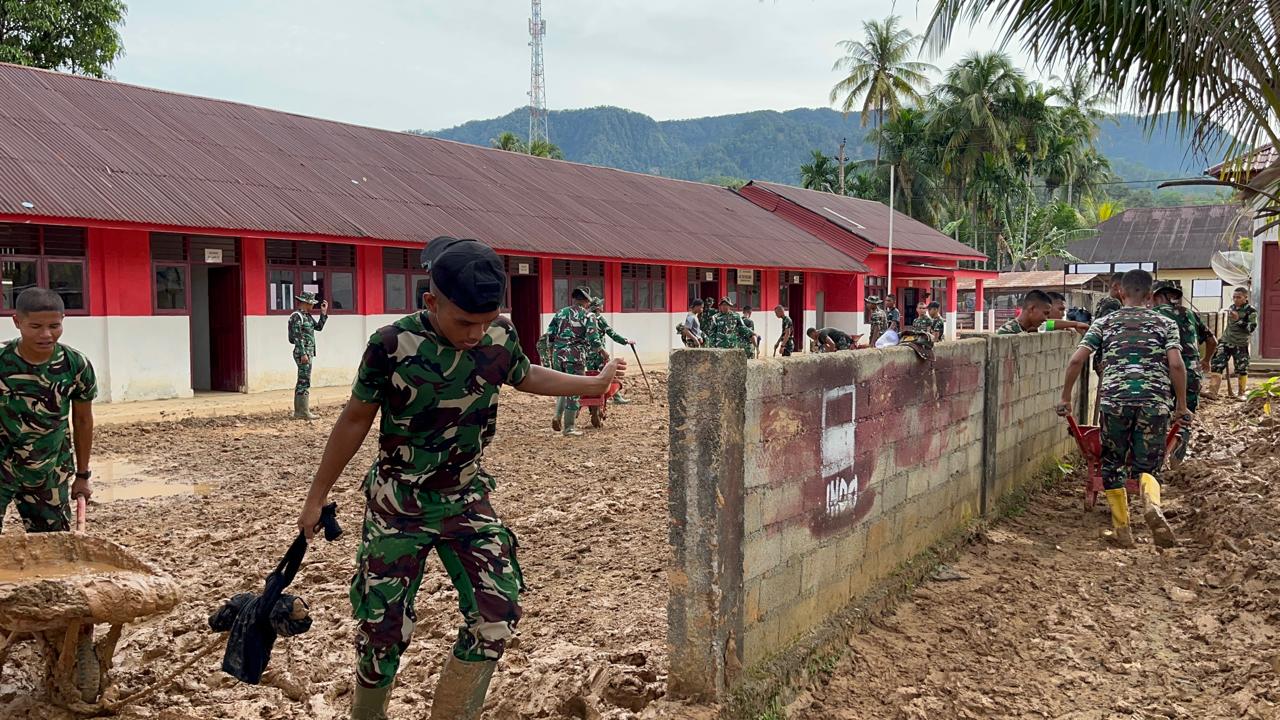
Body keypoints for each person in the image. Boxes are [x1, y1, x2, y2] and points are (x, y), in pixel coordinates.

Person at [296, 237, 625, 720]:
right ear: (431, 302)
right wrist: (316, 496)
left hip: (466, 497)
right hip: (399, 504)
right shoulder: (391, 345)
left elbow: (524, 375)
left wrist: (593, 383)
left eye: (486, 321)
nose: (476, 334)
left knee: (497, 613)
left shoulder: (498, 336)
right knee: (381, 629)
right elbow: (355, 419)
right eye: (465, 322)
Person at [1, 287, 99, 698]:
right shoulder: (1, 363)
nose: (46, 334)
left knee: (56, 556)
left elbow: (83, 420)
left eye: (54, 326)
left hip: (48, 474)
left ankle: (67, 638)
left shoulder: (75, 365)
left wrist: (82, 474)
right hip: (1, 468)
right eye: (36, 326)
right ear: (17, 322)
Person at [1058, 269, 1188, 550]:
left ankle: (1121, 528)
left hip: (1114, 402)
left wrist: (1066, 397)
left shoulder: (1104, 323)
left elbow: (1076, 360)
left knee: (1112, 463)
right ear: (1150, 295)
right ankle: (1151, 505)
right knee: (1149, 464)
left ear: (1120, 292)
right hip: (1154, 402)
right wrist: (1181, 405)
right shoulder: (1165, 323)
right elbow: (1177, 364)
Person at [1152, 281, 1214, 465]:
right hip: (1191, 373)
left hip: (1163, 372)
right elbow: (1212, 341)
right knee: (1184, 417)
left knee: (1159, 416)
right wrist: (1206, 360)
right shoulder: (1190, 314)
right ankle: (1176, 462)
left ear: (1157, 296)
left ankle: (1156, 461)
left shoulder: (1154, 315)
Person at [546, 286, 601, 437]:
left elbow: (550, 334)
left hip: (558, 355)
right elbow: (594, 339)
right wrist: (601, 351)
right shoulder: (588, 315)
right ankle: (569, 427)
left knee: (562, 387)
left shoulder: (560, 313)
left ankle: (557, 416)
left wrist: (552, 351)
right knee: (575, 389)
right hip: (575, 357)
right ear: (586, 301)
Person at [1208, 286, 1258, 398]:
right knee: (1217, 364)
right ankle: (1212, 392)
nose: (1235, 299)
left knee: (1242, 369)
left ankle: (1241, 393)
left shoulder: (1251, 311)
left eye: (1238, 297)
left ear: (1245, 297)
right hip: (1226, 341)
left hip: (1240, 343)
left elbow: (1251, 328)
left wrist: (1238, 320)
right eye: (1234, 297)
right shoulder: (1232, 308)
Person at [288, 291, 329, 420]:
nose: (313, 305)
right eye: (311, 303)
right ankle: (302, 412)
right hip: (303, 352)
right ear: (305, 303)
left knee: (304, 379)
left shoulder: (307, 316)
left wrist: (323, 313)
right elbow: (297, 336)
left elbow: (318, 327)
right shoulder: (297, 316)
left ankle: (301, 411)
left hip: (308, 352)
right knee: (304, 380)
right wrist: (303, 353)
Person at [587, 297, 634, 405]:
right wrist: (625, 341)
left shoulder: (586, 318)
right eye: (601, 304)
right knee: (609, 374)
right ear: (598, 308)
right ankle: (616, 397)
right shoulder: (599, 319)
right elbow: (612, 334)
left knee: (591, 375)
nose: (603, 306)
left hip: (588, 354)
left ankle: (593, 398)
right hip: (600, 353)